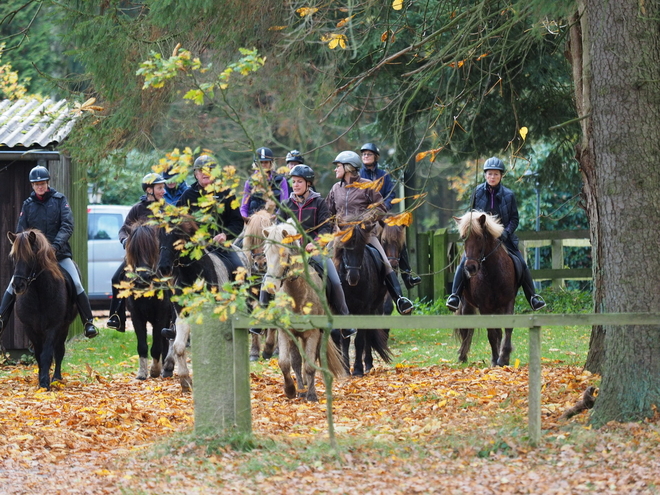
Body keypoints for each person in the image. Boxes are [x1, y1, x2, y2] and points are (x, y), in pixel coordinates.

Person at [0, 166, 98, 338]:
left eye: (43, 183)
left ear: (47, 183)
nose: (40, 187)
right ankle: (1, 320)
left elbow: (67, 226)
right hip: (34, 259)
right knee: (13, 284)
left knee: (76, 282)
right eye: (37, 184)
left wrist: (55, 247)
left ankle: (88, 322)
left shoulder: (60, 200)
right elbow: (21, 230)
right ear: (32, 185)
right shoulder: (28, 205)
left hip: (58, 255)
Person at [446, 157, 547, 311]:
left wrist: (506, 232)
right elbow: (471, 215)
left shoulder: (509, 195)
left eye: (496, 174)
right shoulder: (477, 192)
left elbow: (514, 219)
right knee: (464, 262)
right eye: (490, 174)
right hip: (481, 238)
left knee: (521, 262)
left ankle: (533, 297)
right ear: (485, 175)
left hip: (502, 237)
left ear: (501, 176)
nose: (492, 177)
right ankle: (454, 296)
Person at [326, 151, 414, 315]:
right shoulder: (334, 189)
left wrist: (365, 221)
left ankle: (400, 299)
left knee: (385, 262)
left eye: (338, 166)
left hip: (365, 236)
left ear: (348, 168)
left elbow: (380, 209)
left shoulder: (367, 185)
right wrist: (333, 228)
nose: (335, 169)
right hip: (340, 237)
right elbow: (328, 213)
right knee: (322, 261)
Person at [277, 164, 354, 338]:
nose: (295, 185)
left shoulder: (320, 203)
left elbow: (326, 228)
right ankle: (263, 320)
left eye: (299, 182)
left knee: (334, 281)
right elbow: (278, 228)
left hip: (314, 253)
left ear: (308, 184)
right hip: (291, 255)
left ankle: (344, 320)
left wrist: (315, 243)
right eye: (293, 182)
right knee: (270, 275)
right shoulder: (285, 204)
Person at [107, 173, 167, 332]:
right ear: (149, 190)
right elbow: (123, 230)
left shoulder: (166, 210)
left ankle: (176, 317)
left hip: (160, 257)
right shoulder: (137, 209)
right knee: (116, 278)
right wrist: (126, 241)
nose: (163, 191)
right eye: (160, 188)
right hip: (139, 257)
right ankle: (116, 316)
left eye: (163, 187)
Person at [360, 143, 421, 289]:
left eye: (369, 154)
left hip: (382, 216)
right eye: (363, 154)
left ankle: (407, 275)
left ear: (376, 157)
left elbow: (391, 194)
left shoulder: (384, 175)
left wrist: (384, 206)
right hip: (363, 217)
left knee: (397, 234)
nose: (366, 156)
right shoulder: (359, 175)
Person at [177, 154, 245, 275]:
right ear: (196, 174)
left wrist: (226, 235)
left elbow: (237, 222)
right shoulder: (187, 195)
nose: (205, 173)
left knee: (239, 270)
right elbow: (177, 223)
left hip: (221, 248)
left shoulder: (226, 193)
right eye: (201, 170)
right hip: (194, 248)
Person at [239, 147, 289, 221]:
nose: (263, 165)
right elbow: (244, 207)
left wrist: (276, 216)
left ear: (271, 163)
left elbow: (284, 203)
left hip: (275, 220)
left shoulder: (281, 180)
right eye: (260, 162)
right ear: (256, 164)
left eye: (266, 162)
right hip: (254, 221)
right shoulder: (249, 182)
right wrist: (245, 218)